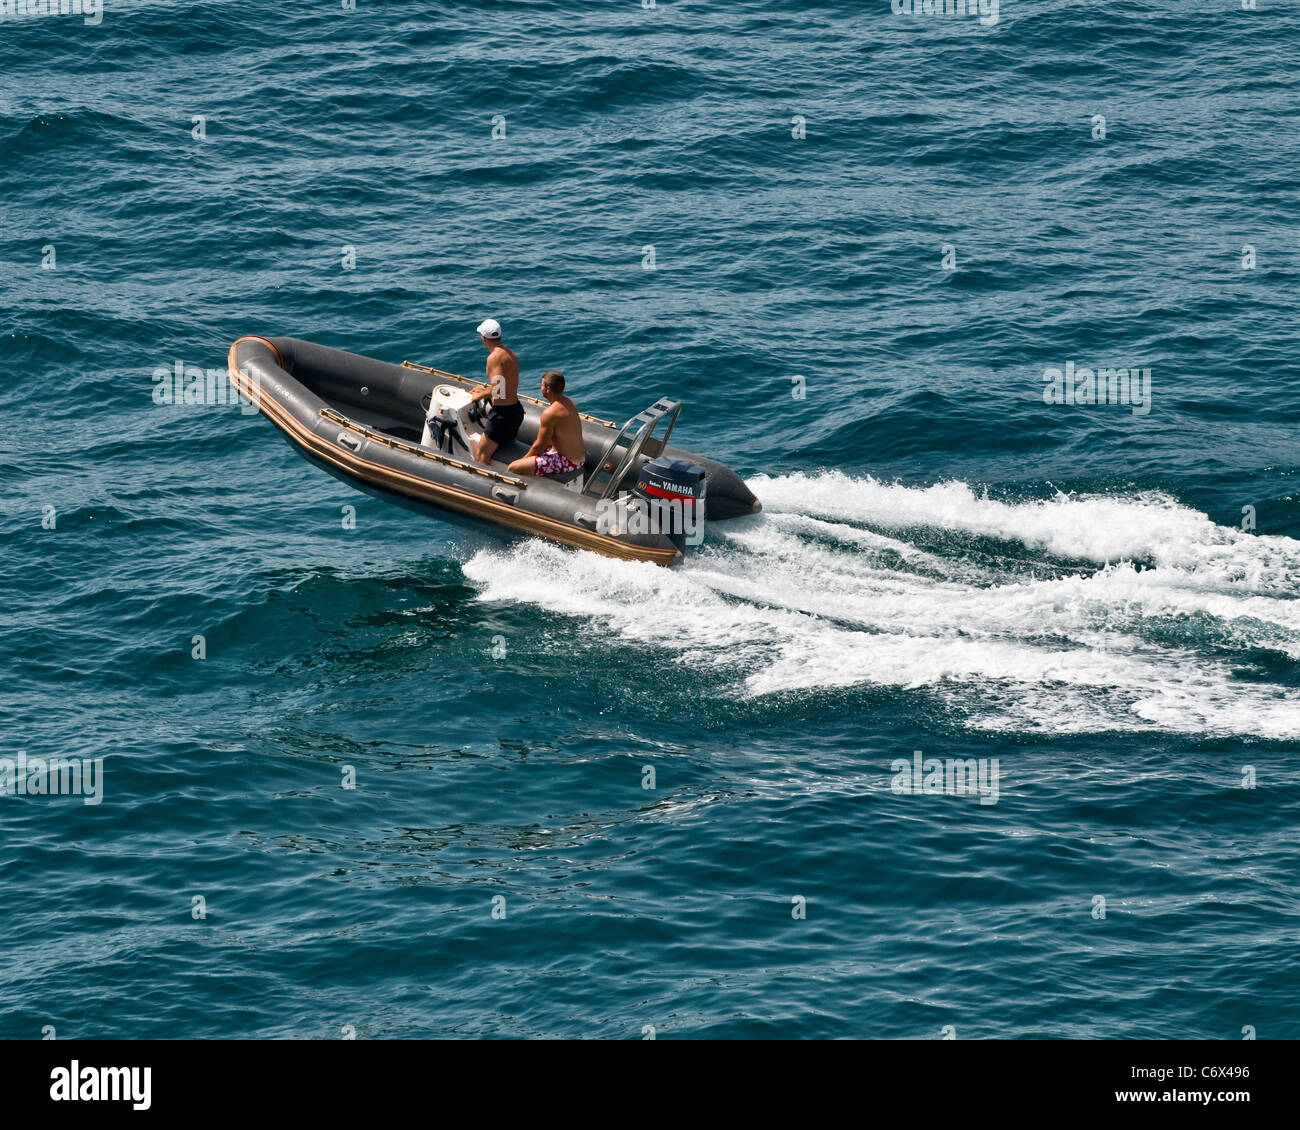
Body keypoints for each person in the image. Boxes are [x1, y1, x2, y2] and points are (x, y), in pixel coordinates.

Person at [509, 371, 587, 478]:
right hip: (580, 459)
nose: (540, 388)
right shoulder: (569, 402)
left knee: (513, 467)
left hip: (568, 463)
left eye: (542, 385)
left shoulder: (550, 413)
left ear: (548, 389)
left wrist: (524, 460)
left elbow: (540, 445)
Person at [469, 318, 523, 464]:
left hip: (502, 416)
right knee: (503, 453)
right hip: (516, 411)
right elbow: (503, 384)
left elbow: (498, 389)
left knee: (481, 456)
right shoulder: (510, 354)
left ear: (483, 338)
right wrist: (485, 390)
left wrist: (479, 395)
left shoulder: (493, 357)